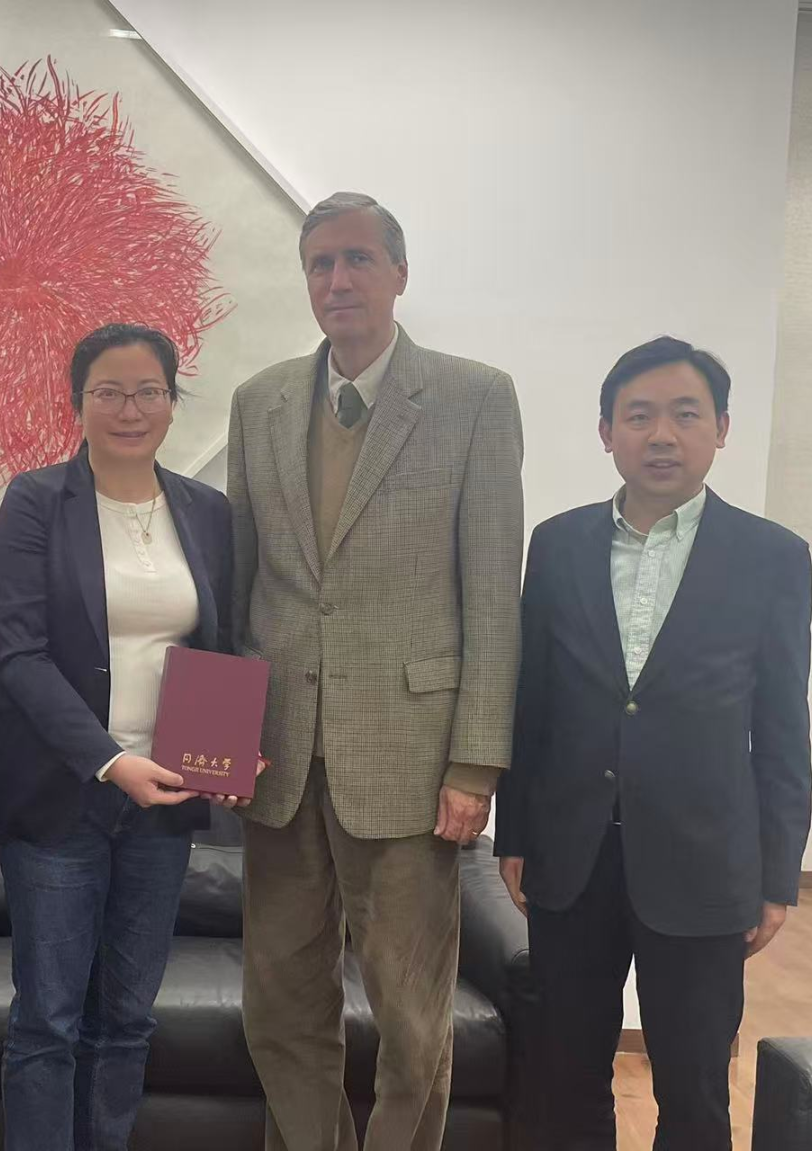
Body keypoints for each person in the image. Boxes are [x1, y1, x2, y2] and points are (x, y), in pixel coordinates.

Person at [226, 191, 524, 1151]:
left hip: (411, 758)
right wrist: (223, 742)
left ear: (399, 272)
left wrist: (475, 764)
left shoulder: (474, 397)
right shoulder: (260, 400)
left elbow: (493, 594)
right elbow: (242, 585)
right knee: (279, 1003)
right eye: (320, 263)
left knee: (412, 1016)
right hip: (278, 760)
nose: (338, 279)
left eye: (358, 259)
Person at [496, 337, 812, 1151]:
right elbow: (533, 702)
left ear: (722, 428)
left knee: (695, 1085)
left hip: (704, 860)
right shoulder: (557, 545)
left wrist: (777, 871)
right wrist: (515, 833)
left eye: (685, 415)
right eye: (639, 416)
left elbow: (783, 724)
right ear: (607, 431)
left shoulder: (772, 557)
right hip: (573, 854)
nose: (662, 435)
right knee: (565, 1076)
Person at [0, 324, 241, 1151]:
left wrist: (238, 742)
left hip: (166, 800)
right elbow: (18, 654)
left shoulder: (207, 510)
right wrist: (111, 759)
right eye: (109, 392)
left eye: (148, 391)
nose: (130, 409)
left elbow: (219, 646)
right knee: (48, 1019)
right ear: (77, 402)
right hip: (60, 797)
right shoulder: (34, 500)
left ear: (172, 402)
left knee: (127, 1016)